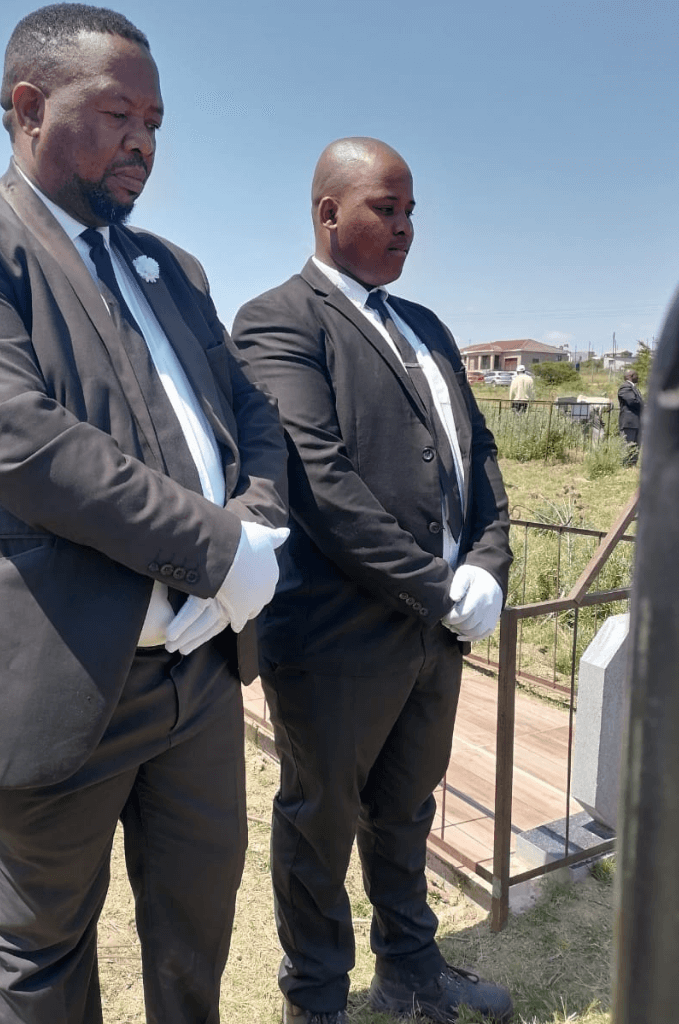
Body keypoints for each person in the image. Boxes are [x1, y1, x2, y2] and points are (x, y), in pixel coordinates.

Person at [0, 5, 288, 1024]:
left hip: (198, 669)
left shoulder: (174, 270)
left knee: (196, 923)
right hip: (54, 672)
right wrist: (220, 552)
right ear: (27, 107)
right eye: (116, 114)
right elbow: (17, 439)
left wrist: (261, 534)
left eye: (155, 121)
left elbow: (254, 419)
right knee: (44, 952)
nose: (143, 143)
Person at [232, 138, 513, 1024]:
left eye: (410, 212)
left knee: (407, 810)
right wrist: (439, 585)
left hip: (436, 633)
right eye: (384, 210)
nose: (405, 228)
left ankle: (412, 970)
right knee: (321, 820)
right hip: (335, 635)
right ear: (328, 214)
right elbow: (321, 485)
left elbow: (478, 458)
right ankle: (315, 999)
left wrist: (490, 563)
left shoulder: (426, 325)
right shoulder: (280, 320)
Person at [617, 368, 643, 465]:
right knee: (627, 445)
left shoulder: (633, 388)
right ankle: (625, 465)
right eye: (636, 375)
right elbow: (632, 402)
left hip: (636, 422)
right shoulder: (625, 387)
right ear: (631, 376)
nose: (638, 377)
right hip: (629, 422)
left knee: (636, 446)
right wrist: (644, 404)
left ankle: (632, 465)